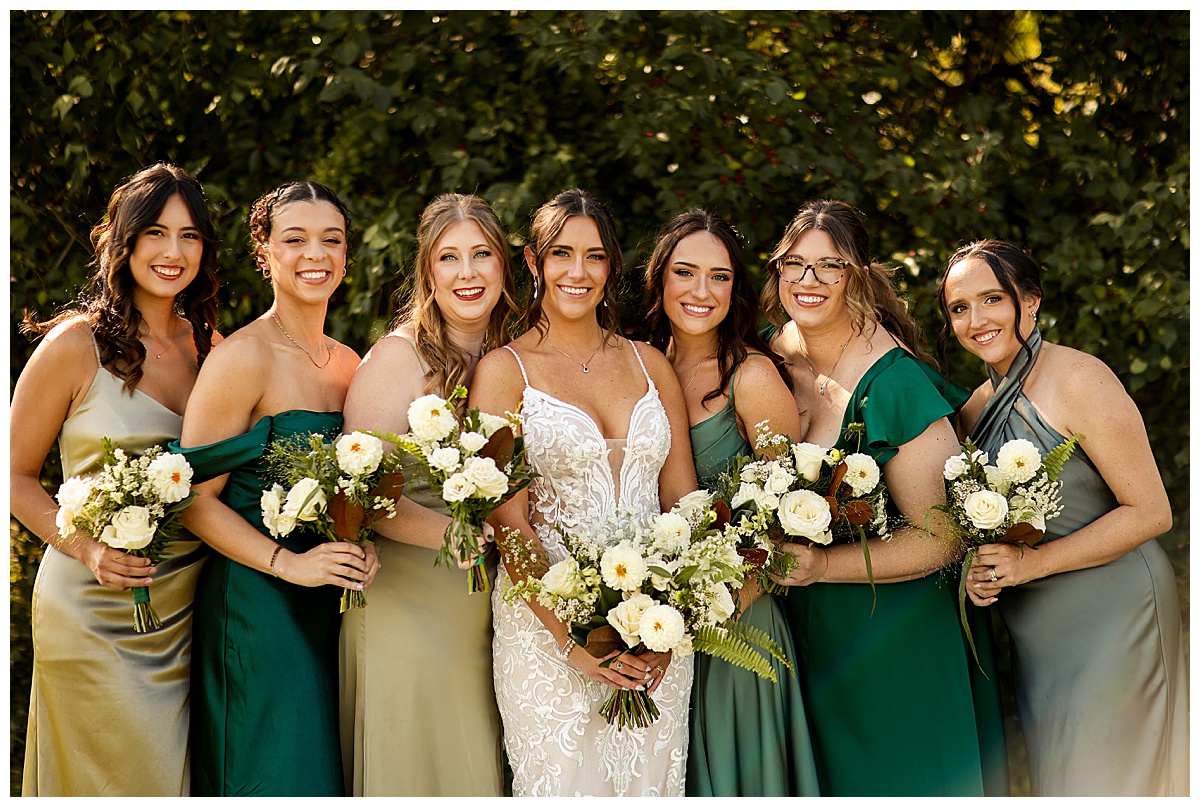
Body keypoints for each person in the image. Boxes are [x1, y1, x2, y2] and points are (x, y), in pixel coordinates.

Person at [762, 199, 1006, 796]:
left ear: (857, 276)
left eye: (830, 265)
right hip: (802, 638)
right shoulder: (770, 353)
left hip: (893, 637)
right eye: (794, 263)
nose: (808, 280)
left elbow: (943, 536)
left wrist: (822, 567)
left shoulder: (894, 382)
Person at [469, 188, 698, 796]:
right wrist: (571, 643)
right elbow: (509, 524)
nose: (578, 271)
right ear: (533, 261)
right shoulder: (502, 372)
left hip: (655, 636)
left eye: (594, 256)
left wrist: (670, 628)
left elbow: (683, 505)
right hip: (548, 639)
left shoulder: (651, 364)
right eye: (561, 254)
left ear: (612, 266)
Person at [939, 239, 1188, 796]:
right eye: (959, 308)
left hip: (1116, 613)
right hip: (1038, 631)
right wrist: (983, 572)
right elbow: (990, 528)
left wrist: (1032, 564)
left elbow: (1152, 512)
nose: (976, 320)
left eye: (993, 299)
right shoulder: (973, 410)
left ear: (1030, 301)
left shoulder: (1079, 378)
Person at [12, 163, 220, 796]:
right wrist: (88, 550)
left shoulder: (213, 348)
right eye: (156, 233)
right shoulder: (75, 345)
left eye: (189, 236)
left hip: (188, 608)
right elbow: (13, 475)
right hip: (93, 605)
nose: (173, 251)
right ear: (123, 241)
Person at [170, 181, 378, 796]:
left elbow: (357, 488)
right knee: (277, 771)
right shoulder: (242, 358)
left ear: (347, 254)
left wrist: (361, 542)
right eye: (295, 239)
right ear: (264, 252)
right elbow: (192, 500)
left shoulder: (351, 363)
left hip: (330, 599)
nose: (315, 254)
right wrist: (290, 565)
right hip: (258, 602)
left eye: (331, 240)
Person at [338, 193, 516, 796]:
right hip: (409, 601)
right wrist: (451, 531)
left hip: (498, 607)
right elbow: (361, 490)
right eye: (449, 257)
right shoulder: (397, 357)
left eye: (481, 255)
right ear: (428, 272)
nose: (467, 273)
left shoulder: (521, 354)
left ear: (503, 264)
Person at [641, 208, 819, 797]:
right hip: (652, 620)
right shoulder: (635, 365)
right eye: (685, 272)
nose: (701, 291)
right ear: (659, 277)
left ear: (735, 288)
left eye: (719, 277)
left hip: (740, 620)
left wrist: (712, 605)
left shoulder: (752, 377)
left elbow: (790, 519)